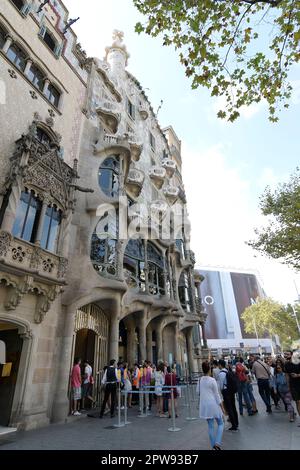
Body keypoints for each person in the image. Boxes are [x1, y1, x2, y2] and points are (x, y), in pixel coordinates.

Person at [197, 361, 224, 450]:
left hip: (205, 405)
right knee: (221, 423)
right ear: (209, 370)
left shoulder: (200, 380)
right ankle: (217, 442)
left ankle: (213, 446)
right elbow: (217, 395)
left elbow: (198, 392)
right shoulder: (212, 380)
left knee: (210, 426)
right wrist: (222, 407)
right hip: (213, 404)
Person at [218, 359, 239, 431]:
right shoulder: (227, 371)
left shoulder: (221, 374)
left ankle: (233, 425)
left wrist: (221, 392)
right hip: (231, 391)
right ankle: (236, 422)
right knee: (233, 407)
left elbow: (221, 386)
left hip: (226, 391)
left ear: (220, 365)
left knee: (229, 408)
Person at [284, 350, 300, 420]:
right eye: (285, 354)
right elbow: (287, 375)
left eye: (287, 354)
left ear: (292, 355)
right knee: (298, 402)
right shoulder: (286, 364)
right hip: (293, 385)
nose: (286, 356)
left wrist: (298, 375)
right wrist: (288, 386)